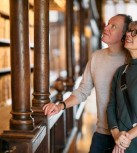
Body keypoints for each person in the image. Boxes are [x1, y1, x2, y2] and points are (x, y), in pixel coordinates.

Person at [43, 14, 132, 153]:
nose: (106, 27)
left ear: (124, 35)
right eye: (107, 23)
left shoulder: (131, 59)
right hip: (102, 132)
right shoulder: (97, 57)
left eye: (113, 26)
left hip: (128, 136)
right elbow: (83, 90)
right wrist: (60, 105)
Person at [107, 21, 137, 153]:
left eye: (135, 32)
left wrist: (127, 137)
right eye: (129, 31)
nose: (128, 34)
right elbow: (111, 106)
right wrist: (116, 135)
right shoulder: (121, 72)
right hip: (122, 144)